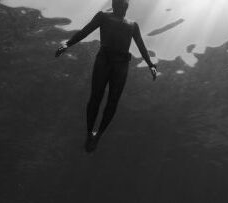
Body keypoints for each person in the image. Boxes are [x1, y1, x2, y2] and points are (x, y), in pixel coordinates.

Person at [55, 0, 157, 153]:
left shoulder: (132, 25)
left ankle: (98, 134)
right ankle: (90, 133)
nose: (122, 5)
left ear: (126, 6)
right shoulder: (103, 16)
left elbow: (141, 45)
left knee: (113, 101)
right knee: (96, 96)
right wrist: (68, 43)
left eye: (124, 3)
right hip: (104, 59)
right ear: (115, 4)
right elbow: (86, 31)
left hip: (121, 63)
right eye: (119, 3)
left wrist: (150, 64)